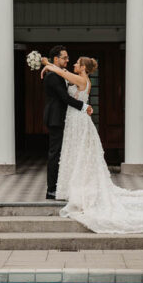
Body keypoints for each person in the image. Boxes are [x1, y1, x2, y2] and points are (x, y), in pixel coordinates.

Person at [41, 55, 143, 234]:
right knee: (76, 154)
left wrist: (46, 65)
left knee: (79, 155)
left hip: (78, 122)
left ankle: (79, 190)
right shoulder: (82, 78)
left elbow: (61, 72)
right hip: (76, 120)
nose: (73, 64)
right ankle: (76, 188)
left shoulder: (80, 79)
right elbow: (63, 72)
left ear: (82, 68)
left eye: (76, 63)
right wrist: (50, 65)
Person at [43, 45, 92, 200]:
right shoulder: (52, 76)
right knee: (55, 153)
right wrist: (84, 106)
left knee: (66, 153)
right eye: (65, 57)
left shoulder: (60, 73)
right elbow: (64, 98)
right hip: (56, 118)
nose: (68, 60)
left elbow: (64, 73)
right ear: (56, 58)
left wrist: (47, 65)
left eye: (70, 59)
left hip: (68, 118)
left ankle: (65, 186)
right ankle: (51, 189)